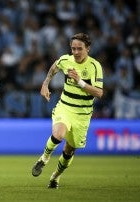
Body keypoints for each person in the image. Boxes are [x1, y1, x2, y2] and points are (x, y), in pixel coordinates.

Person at [31, 33, 103, 188]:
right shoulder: (66, 60)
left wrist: (80, 82)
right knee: (58, 134)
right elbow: (54, 67)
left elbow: (99, 93)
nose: (76, 52)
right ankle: (43, 159)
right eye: (73, 49)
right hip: (65, 107)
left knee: (69, 150)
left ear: (88, 49)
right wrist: (45, 84)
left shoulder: (94, 66)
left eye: (79, 49)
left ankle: (55, 177)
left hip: (82, 114)